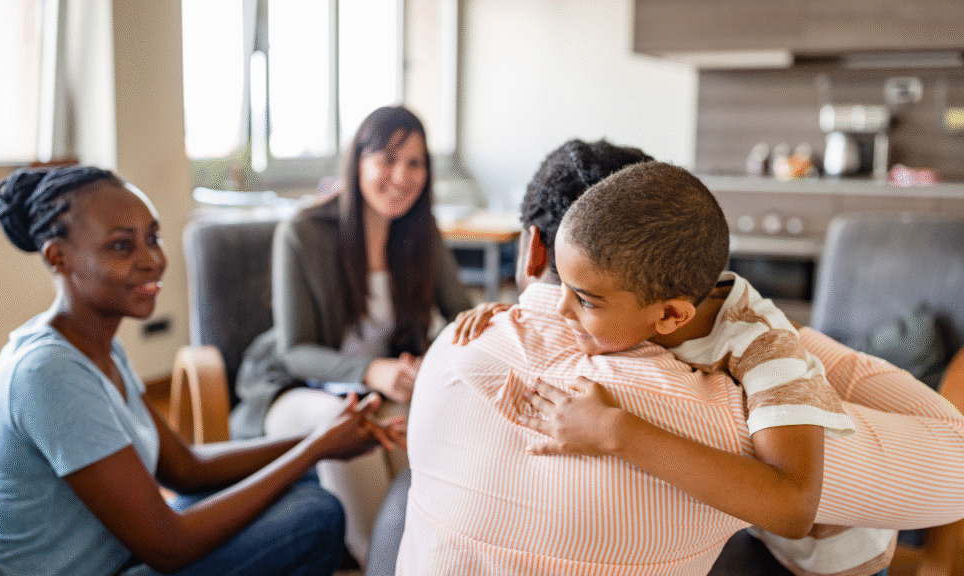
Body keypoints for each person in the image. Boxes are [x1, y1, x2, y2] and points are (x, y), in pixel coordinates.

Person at [392, 141, 964, 575]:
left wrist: (619, 430)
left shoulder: (454, 348)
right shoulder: (708, 413)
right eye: (565, 290)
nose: (561, 313)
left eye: (586, 299)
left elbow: (794, 505)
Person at [0, 165, 404, 576]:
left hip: (112, 553)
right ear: (58, 258)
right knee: (315, 516)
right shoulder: (47, 372)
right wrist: (314, 448)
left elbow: (185, 468)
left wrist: (319, 443)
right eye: (120, 245)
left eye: (152, 237)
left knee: (307, 482)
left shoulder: (97, 346)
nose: (152, 259)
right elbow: (169, 546)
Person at [230, 105, 473, 565]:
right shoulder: (302, 233)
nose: (401, 176)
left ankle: (417, 559)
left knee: (424, 419)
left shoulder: (423, 235)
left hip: (378, 387)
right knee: (351, 428)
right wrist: (372, 370)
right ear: (357, 161)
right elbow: (295, 350)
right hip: (295, 389)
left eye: (415, 163)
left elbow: (462, 318)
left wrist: (427, 363)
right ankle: (373, 562)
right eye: (387, 159)